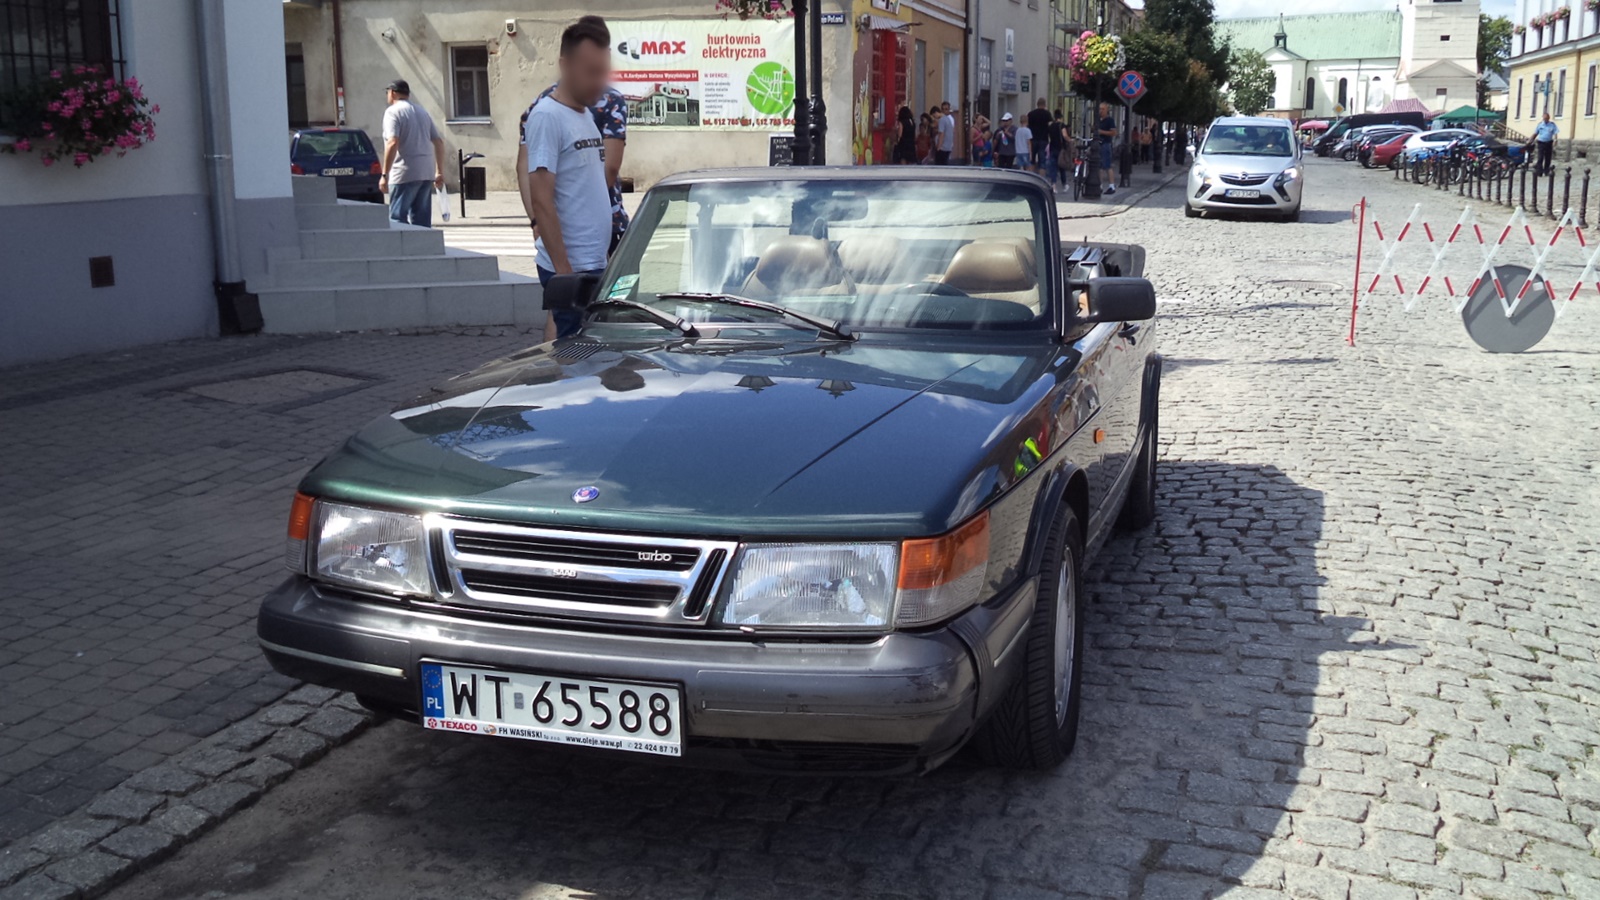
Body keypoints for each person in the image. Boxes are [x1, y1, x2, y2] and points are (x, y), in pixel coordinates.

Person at [524, 17, 613, 342]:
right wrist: (563, 272)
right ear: (565, 65)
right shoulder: (548, 117)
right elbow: (541, 199)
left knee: (578, 350)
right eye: (591, 72)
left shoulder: (585, 115)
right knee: (573, 359)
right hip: (570, 268)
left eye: (602, 71)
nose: (599, 82)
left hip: (592, 262)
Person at [516, 16, 629, 257]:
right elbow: (610, 167)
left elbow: (524, 165)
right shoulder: (610, 101)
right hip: (601, 229)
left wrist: (536, 222)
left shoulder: (542, 104)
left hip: (571, 232)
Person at [379, 79, 445, 226]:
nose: (387, 95)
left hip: (403, 173)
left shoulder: (392, 112)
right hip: (425, 172)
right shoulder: (422, 111)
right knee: (421, 220)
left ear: (393, 93)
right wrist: (439, 171)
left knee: (397, 219)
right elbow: (438, 142)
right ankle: (423, 248)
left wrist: (384, 174)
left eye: (387, 92)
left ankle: (401, 249)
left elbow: (393, 142)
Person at [1026, 98, 1052, 175]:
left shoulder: (1031, 114)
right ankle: (1041, 179)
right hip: (1043, 139)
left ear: (1037, 104)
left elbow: (1027, 126)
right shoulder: (1047, 114)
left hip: (1032, 139)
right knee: (1042, 161)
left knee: (1032, 159)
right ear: (1044, 105)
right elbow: (1050, 126)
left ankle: (1032, 177)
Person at [1096, 102, 1117, 195]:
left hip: (1106, 144)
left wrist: (1101, 132)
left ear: (1107, 110)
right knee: (1099, 166)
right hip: (1099, 144)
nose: (1101, 111)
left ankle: (1111, 186)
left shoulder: (1110, 120)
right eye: (1100, 109)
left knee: (1107, 165)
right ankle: (1099, 186)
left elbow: (1113, 132)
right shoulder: (1099, 120)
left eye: (1103, 109)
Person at [1048, 109, 1068, 188]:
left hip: (1052, 147)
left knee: (1053, 168)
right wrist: (1070, 140)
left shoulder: (1051, 126)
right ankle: (1064, 184)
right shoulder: (1061, 125)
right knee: (1062, 166)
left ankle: (1054, 185)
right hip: (1060, 148)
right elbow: (1065, 136)